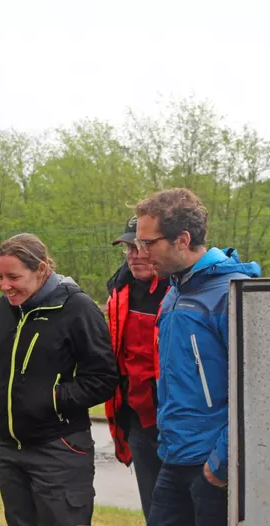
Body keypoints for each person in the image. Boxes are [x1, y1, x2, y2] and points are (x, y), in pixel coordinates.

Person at [134, 188, 261, 526]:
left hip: (213, 467)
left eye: (148, 243)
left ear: (182, 240)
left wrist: (219, 465)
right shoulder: (174, 292)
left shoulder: (232, 293)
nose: (141, 253)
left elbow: (258, 391)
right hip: (174, 458)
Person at [0, 233, 117, 526]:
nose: (4, 286)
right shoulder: (4, 307)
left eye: (13, 277)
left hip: (59, 448)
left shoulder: (78, 308)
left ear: (41, 269)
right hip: (8, 448)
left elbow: (103, 378)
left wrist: (50, 398)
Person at [103, 215, 168, 520]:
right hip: (138, 420)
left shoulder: (183, 290)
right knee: (153, 511)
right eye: (129, 248)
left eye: (143, 246)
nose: (134, 255)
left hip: (177, 422)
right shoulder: (120, 291)